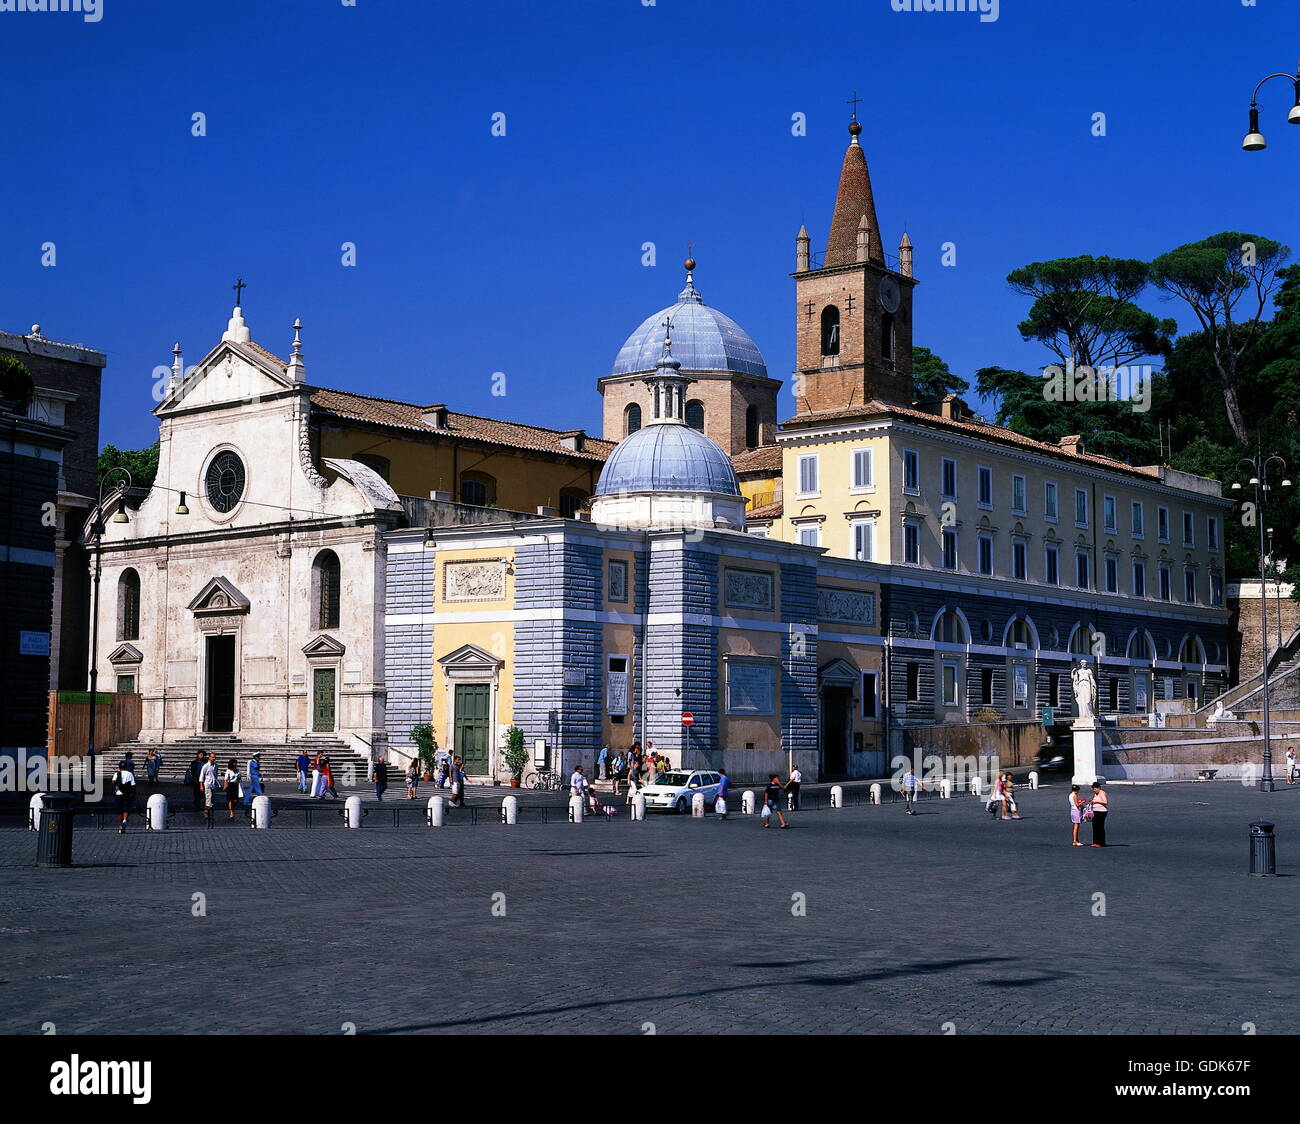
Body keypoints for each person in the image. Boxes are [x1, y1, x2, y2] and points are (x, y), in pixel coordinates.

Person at [112, 759, 136, 834]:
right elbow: (133, 785)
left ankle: (121, 824)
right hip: (127, 794)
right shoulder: (130, 774)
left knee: (119, 810)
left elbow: (113, 783)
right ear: (126, 767)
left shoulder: (116, 774)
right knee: (126, 808)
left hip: (118, 794)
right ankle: (125, 821)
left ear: (119, 767)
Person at [199, 752, 219, 826]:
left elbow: (215, 775)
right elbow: (201, 776)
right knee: (209, 798)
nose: (214, 758)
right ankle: (206, 812)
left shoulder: (216, 766)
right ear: (209, 758)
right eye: (212, 757)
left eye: (215, 757)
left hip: (213, 785)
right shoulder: (205, 766)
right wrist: (201, 785)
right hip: (207, 784)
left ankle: (208, 811)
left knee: (212, 800)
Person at [1089, 781, 1109, 846]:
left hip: (1101, 812)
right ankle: (1095, 842)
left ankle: (1101, 842)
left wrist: (1096, 801)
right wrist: (1092, 803)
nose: (1094, 790)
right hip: (1095, 811)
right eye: (1093, 789)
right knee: (1095, 826)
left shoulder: (1102, 793)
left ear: (1098, 788)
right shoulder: (1096, 794)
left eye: (1095, 789)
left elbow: (1105, 802)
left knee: (1100, 827)